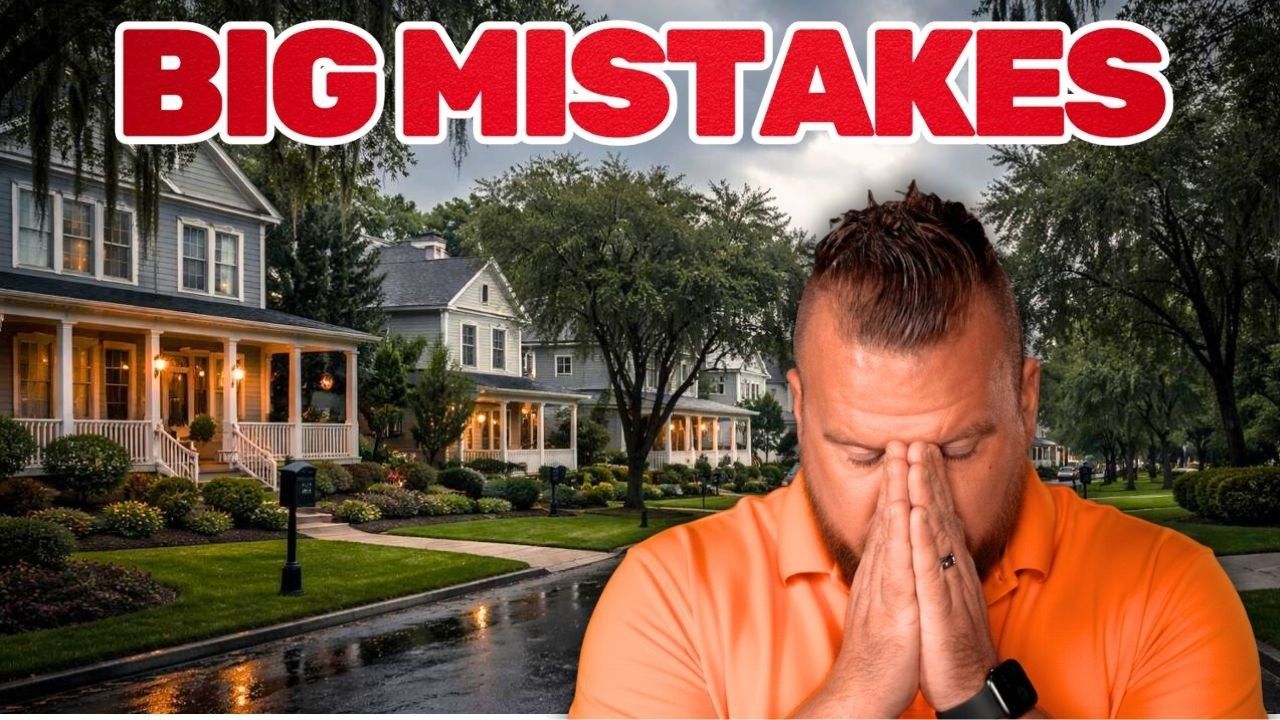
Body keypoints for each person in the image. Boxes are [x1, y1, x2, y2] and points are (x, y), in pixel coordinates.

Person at [568, 184, 1265, 718]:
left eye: (957, 449)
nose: (909, 503)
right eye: (863, 454)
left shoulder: (1169, 591)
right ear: (801, 409)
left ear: (1026, 403)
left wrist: (974, 688)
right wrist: (858, 690)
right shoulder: (668, 595)